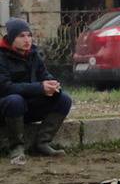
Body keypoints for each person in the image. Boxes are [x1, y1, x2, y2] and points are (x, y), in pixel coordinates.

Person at [0, 18, 72, 165]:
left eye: (29, 35)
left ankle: (42, 143)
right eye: (21, 36)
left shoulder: (33, 54)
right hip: (7, 109)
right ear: (11, 38)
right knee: (14, 100)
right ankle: (17, 148)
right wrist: (40, 88)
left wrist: (54, 86)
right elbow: (5, 88)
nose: (27, 40)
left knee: (64, 99)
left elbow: (45, 75)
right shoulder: (1, 57)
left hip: (27, 107)